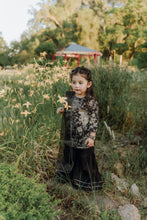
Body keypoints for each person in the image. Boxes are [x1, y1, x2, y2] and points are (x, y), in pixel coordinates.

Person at [55, 66, 102, 191]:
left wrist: (92, 137)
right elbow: (68, 109)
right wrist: (62, 110)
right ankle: (71, 177)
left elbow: (94, 120)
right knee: (71, 155)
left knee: (84, 158)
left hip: (84, 136)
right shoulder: (70, 97)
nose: (76, 85)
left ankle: (86, 182)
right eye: (74, 82)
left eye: (80, 83)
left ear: (88, 84)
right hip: (71, 134)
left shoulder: (90, 101)